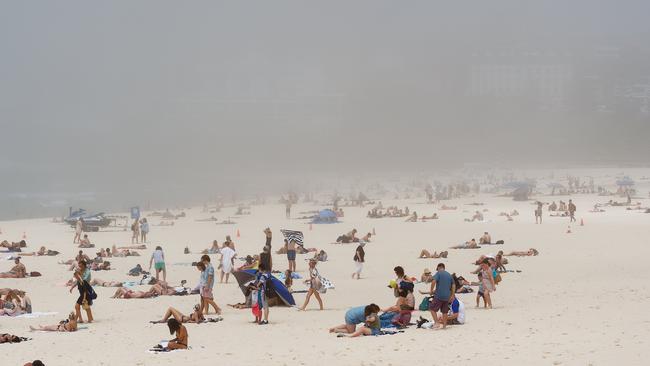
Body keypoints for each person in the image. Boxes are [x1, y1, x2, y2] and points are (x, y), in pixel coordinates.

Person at [419, 262, 455, 329]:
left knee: (432, 309)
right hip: (447, 296)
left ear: (439, 267)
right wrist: (452, 295)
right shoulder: (449, 275)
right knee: (445, 311)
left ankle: (436, 323)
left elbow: (433, 281)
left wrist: (431, 290)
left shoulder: (438, 273)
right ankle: (444, 326)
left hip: (439, 295)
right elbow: (453, 285)